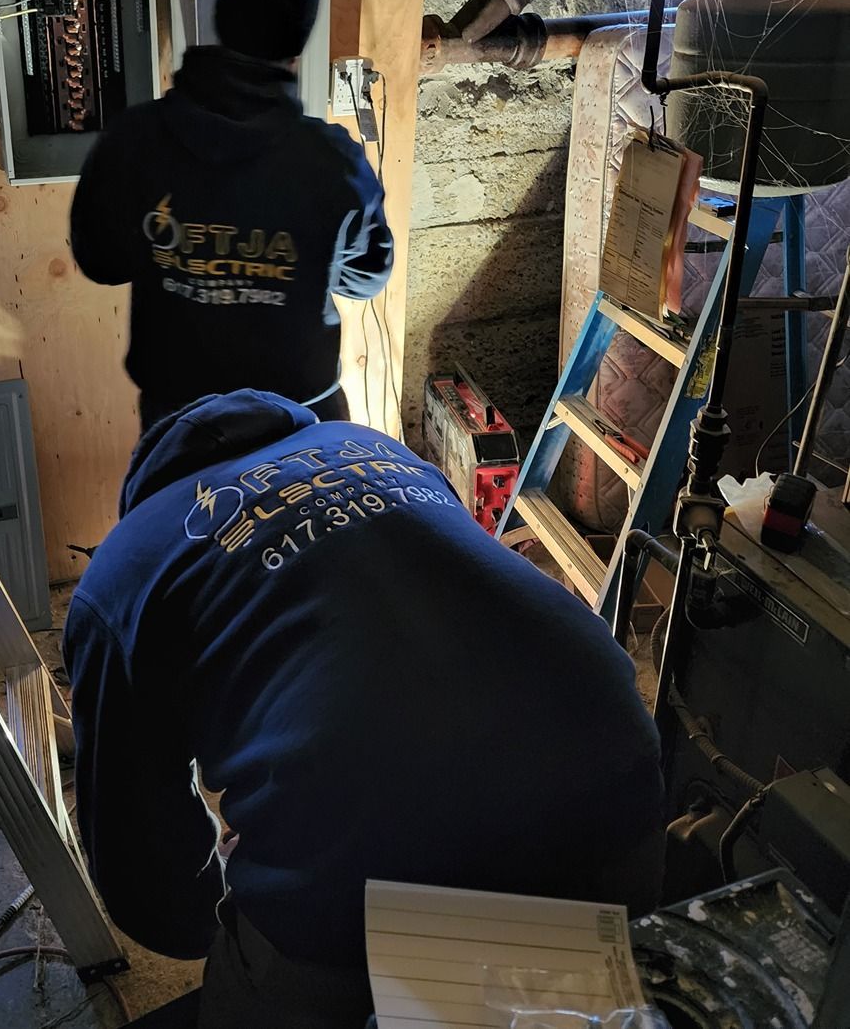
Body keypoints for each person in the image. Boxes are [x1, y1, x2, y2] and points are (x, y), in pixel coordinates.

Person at [63, 390, 666, 1029]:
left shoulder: (122, 569)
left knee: (257, 993)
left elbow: (141, 867)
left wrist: (213, 914)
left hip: (354, 891)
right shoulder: (374, 447)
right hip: (615, 790)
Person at [69, 0, 392, 432]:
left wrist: (181, 256)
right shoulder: (334, 160)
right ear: (298, 47)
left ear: (219, 19)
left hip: (180, 429)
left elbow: (100, 261)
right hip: (303, 425)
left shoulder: (132, 139)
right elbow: (367, 277)